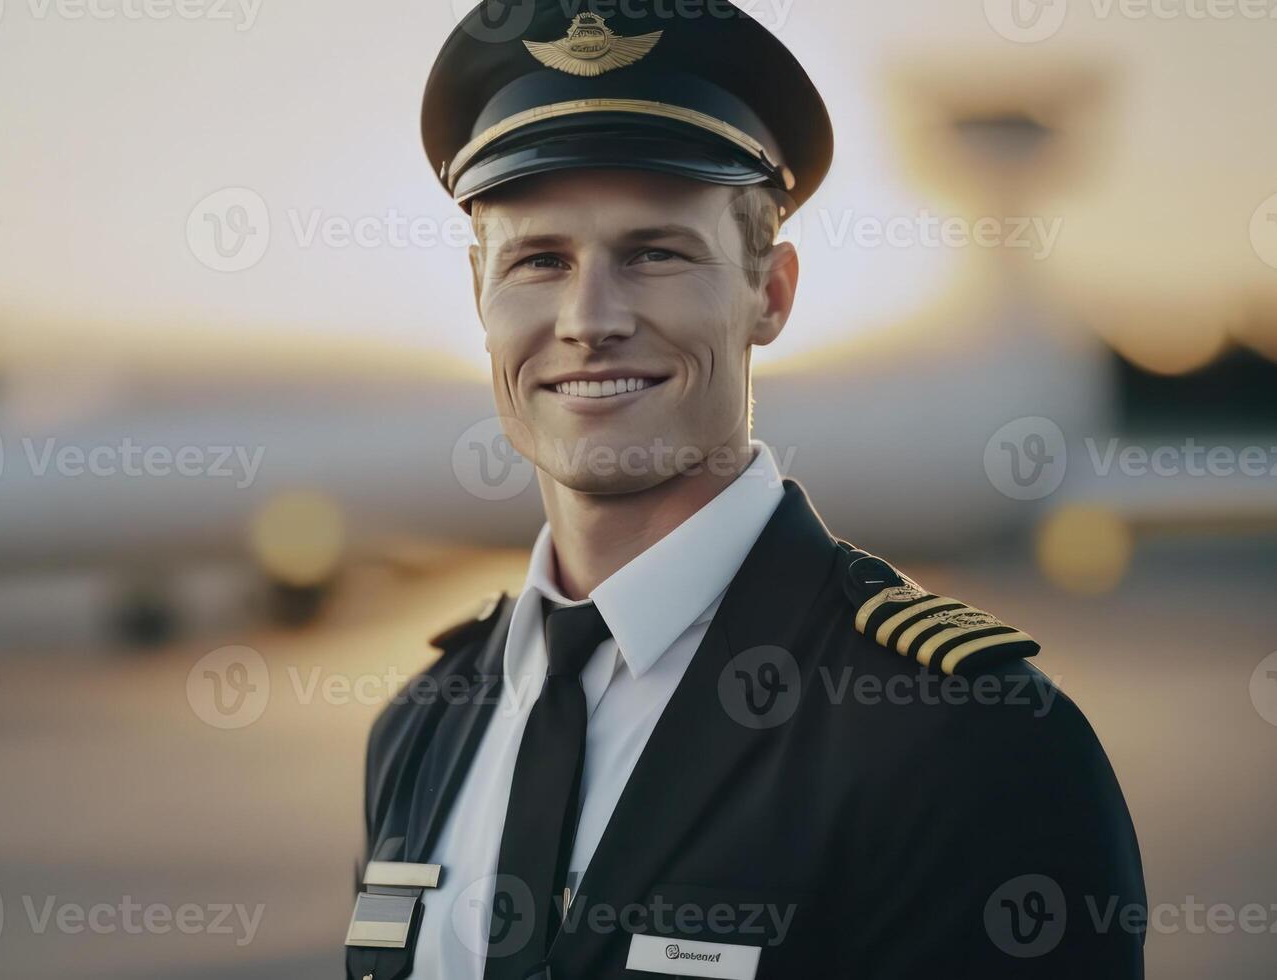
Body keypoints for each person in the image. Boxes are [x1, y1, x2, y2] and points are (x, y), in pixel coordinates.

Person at [346, 4, 1145, 978]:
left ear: (769, 292)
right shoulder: (423, 722)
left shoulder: (964, 740)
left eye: (654, 252)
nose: (588, 319)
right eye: (538, 259)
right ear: (480, 294)